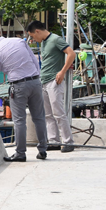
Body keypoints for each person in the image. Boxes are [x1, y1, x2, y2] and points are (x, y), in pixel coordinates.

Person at [0, 27, 48, 162]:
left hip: (18, 86)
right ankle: (43, 150)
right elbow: (35, 61)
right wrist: (37, 78)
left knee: (19, 121)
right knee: (39, 117)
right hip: (35, 81)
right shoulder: (19, 41)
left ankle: (20, 153)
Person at [26, 21, 76, 152]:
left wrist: (62, 71)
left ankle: (68, 141)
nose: (33, 39)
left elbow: (71, 53)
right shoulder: (43, 42)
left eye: (32, 36)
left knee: (58, 112)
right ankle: (54, 140)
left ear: (37, 31)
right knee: (47, 114)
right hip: (43, 81)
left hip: (54, 81)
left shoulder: (56, 39)